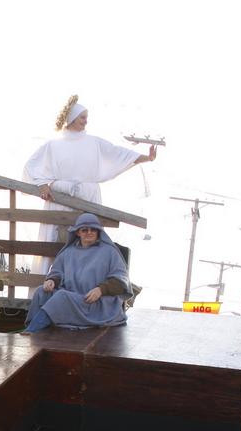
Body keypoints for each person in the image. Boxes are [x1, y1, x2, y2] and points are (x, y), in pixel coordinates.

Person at [23, 95, 158, 274]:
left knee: (86, 242)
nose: (86, 121)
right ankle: (48, 284)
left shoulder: (93, 142)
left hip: (88, 197)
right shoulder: (53, 145)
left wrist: (145, 158)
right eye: (82, 117)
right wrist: (41, 184)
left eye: (86, 117)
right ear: (72, 119)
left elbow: (116, 154)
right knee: (55, 241)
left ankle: (81, 284)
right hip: (59, 198)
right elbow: (31, 165)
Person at [22, 213, 131, 333]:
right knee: (41, 292)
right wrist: (52, 281)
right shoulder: (68, 252)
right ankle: (36, 332)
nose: (89, 232)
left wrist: (101, 290)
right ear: (78, 233)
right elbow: (56, 272)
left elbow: (121, 281)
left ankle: (31, 331)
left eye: (93, 230)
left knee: (61, 297)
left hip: (96, 304)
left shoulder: (110, 252)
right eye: (84, 230)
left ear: (98, 232)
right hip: (73, 299)